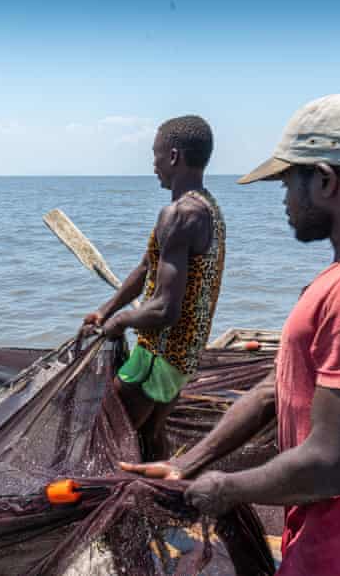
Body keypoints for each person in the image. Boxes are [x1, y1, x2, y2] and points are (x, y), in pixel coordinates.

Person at [122, 92, 340, 575]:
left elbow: (328, 466)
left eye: (287, 181)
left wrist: (224, 488)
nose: (284, 199)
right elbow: (278, 388)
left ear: (324, 180)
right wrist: (187, 465)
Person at [80, 115, 225, 461]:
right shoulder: (208, 208)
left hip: (159, 353)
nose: (154, 165)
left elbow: (164, 309)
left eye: (156, 155)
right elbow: (148, 266)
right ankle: (163, 498)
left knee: (110, 433)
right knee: (149, 432)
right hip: (185, 355)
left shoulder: (179, 214)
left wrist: (122, 322)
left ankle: (119, 504)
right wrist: (107, 309)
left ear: (173, 156)